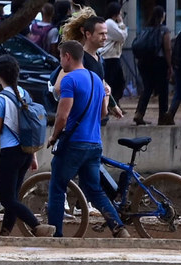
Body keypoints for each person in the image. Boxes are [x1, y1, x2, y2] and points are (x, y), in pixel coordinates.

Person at [46, 41, 130, 238]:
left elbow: (62, 116)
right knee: (94, 189)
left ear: (67, 56)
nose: (60, 62)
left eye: (60, 57)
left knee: (57, 187)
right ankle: (118, 226)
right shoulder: (95, 79)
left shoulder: (69, 80)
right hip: (94, 143)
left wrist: (54, 136)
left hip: (73, 143)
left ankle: (56, 235)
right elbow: (102, 113)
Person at [0, 56, 55, 237]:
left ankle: (37, 226)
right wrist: (34, 156)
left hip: (10, 154)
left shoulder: (1, 99)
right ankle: (5, 231)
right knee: (13, 196)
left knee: (7, 199)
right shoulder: (24, 93)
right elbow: (28, 129)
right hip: (25, 153)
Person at [133, 5, 173, 126]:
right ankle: (162, 117)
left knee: (147, 88)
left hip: (143, 62)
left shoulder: (145, 29)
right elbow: (167, 49)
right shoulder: (164, 30)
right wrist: (170, 65)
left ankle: (139, 113)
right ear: (162, 16)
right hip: (159, 62)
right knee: (163, 90)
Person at [100, 2, 129, 102]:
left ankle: (113, 103)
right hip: (110, 57)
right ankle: (110, 104)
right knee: (114, 82)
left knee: (117, 82)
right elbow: (122, 36)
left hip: (113, 56)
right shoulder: (110, 23)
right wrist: (121, 23)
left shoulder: (111, 23)